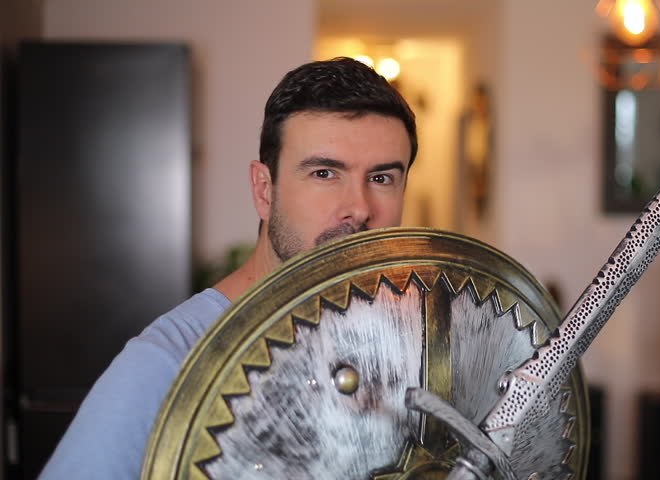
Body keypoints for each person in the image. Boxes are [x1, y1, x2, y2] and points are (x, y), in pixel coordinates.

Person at [38, 57, 418, 479]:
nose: (360, 208)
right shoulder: (167, 365)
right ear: (263, 190)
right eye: (325, 172)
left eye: (382, 178)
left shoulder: (410, 348)